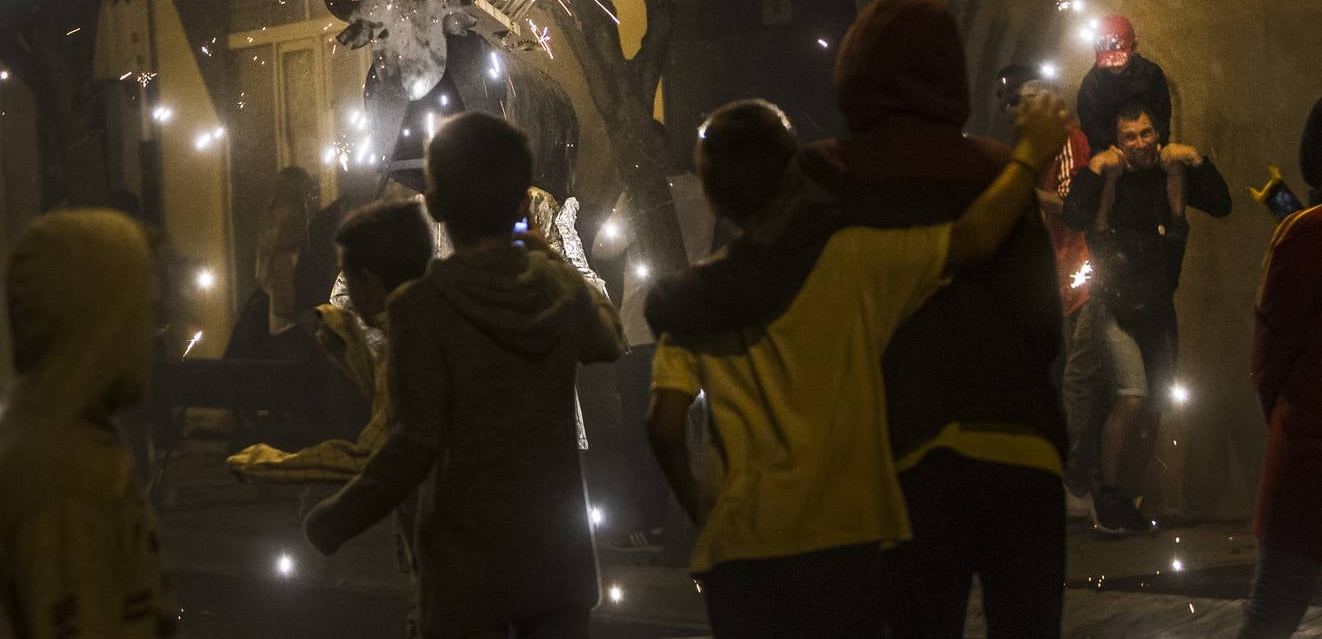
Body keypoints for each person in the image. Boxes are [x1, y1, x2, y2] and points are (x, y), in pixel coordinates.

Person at [645, 88, 1068, 638]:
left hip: (740, 551)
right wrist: (1028, 155)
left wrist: (703, 508)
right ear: (791, 177)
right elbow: (974, 238)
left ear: (711, 196)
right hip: (844, 541)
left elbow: (663, 423)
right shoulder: (849, 261)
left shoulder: (689, 301)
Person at [303, 112, 627, 639]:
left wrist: (339, 515)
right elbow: (609, 339)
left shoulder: (424, 304)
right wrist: (544, 251)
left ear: (433, 202)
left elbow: (413, 440)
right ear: (523, 199)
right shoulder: (555, 287)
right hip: (555, 558)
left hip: (466, 561)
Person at [0, 209, 178, 638]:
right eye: (141, 314)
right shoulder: (64, 477)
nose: (151, 333)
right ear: (101, 327)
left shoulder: (69, 433)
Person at [1063, 102, 1231, 534]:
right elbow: (1074, 215)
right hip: (1114, 304)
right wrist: (1095, 170)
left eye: (1145, 133)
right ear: (1118, 142)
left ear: (1157, 134)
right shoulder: (1112, 177)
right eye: (1130, 137)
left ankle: (1128, 500)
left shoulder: (1168, 174)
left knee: (1156, 404)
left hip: (1157, 306)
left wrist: (1196, 159)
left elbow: (1221, 203)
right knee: (1132, 396)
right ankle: (1108, 496)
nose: (1140, 143)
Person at [226, 200, 433, 485]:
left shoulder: (401, 350)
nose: (340, 286)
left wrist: (270, 464)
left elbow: (373, 457)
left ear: (368, 282)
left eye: (345, 275)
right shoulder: (420, 328)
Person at [592, 121, 716, 554]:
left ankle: (651, 525)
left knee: (641, 435)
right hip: (691, 328)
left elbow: (603, 247)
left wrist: (620, 199)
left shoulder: (641, 196)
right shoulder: (703, 193)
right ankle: (690, 521)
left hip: (643, 329)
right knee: (687, 430)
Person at [998, 65, 1103, 511]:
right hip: (1059, 275)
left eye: (1020, 106)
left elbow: (1069, 206)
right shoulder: (1042, 148)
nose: (1012, 116)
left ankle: (1075, 484)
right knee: (1064, 379)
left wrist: (1019, 184)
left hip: (1081, 272)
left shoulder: (1065, 142)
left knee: (1077, 382)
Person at [1238, 99, 1322, 638]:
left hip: (1308, 453)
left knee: (1271, 612)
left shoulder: (1304, 232)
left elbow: (1269, 359)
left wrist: (1286, 419)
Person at [1075, 15, 1187, 219]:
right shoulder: (1093, 84)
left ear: (1133, 47)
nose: (1114, 66)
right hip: (1112, 149)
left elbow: (1162, 115)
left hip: (1147, 143)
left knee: (1173, 163)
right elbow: (1090, 124)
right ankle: (1102, 228)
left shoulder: (1150, 74)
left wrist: (1158, 142)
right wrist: (1108, 148)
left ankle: (1178, 222)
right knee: (1109, 174)